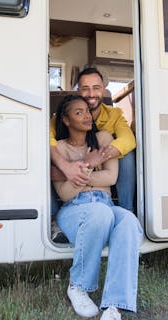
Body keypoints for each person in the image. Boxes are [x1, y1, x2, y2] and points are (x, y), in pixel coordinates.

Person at [52, 95, 143, 320]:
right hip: (73, 209)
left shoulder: (103, 139)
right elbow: (65, 193)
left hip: (105, 205)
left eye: (87, 112)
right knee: (101, 213)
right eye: (78, 113)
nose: (86, 116)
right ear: (66, 119)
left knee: (128, 222)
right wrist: (91, 167)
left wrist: (77, 173)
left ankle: (114, 309)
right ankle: (78, 285)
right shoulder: (59, 148)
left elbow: (112, 178)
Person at [50, 67, 136, 213]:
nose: (91, 94)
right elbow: (47, 140)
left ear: (103, 89)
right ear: (78, 91)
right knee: (45, 157)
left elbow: (128, 140)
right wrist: (65, 167)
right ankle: (52, 215)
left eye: (96, 88)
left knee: (127, 154)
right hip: (71, 166)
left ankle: (127, 209)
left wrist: (96, 159)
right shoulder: (60, 117)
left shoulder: (113, 114)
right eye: (85, 88)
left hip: (101, 166)